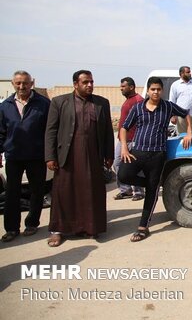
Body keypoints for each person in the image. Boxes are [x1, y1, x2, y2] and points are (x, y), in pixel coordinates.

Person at [44, 70, 114, 247]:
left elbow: (107, 132)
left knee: (91, 192)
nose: (90, 85)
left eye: (91, 82)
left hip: (93, 156)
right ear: (75, 84)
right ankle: (58, 230)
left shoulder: (101, 103)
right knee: (64, 193)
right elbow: (51, 131)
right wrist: (50, 156)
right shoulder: (59, 102)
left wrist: (109, 154)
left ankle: (90, 228)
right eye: (85, 82)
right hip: (67, 156)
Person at [118, 77, 192, 242]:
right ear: (148, 90)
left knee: (151, 193)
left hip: (158, 154)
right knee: (123, 175)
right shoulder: (138, 108)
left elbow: (186, 114)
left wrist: (189, 133)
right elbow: (124, 127)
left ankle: (143, 226)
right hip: (138, 152)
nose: (156, 92)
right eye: (153, 89)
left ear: (162, 90)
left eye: (159, 89)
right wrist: (124, 147)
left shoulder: (167, 106)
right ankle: (152, 185)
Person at [0, 71, 50, 242]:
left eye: (25, 83)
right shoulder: (5, 106)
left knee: (37, 191)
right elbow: (1, 132)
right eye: (18, 83)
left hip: (36, 155)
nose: (22, 87)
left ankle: (32, 223)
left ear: (32, 83)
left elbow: (50, 131)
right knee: (11, 193)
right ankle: (12, 228)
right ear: (13, 84)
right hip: (13, 156)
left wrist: (50, 154)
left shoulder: (43, 104)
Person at [112, 77, 145, 201]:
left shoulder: (138, 101)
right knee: (117, 163)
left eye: (123, 86)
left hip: (134, 140)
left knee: (134, 166)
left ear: (131, 87)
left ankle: (139, 191)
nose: (121, 89)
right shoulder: (127, 101)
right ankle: (125, 190)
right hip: (123, 140)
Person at [169, 66, 192, 134]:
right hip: (181, 116)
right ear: (182, 73)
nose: (190, 73)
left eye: (190, 72)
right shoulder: (175, 85)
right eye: (188, 72)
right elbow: (172, 102)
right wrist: (172, 116)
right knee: (182, 136)